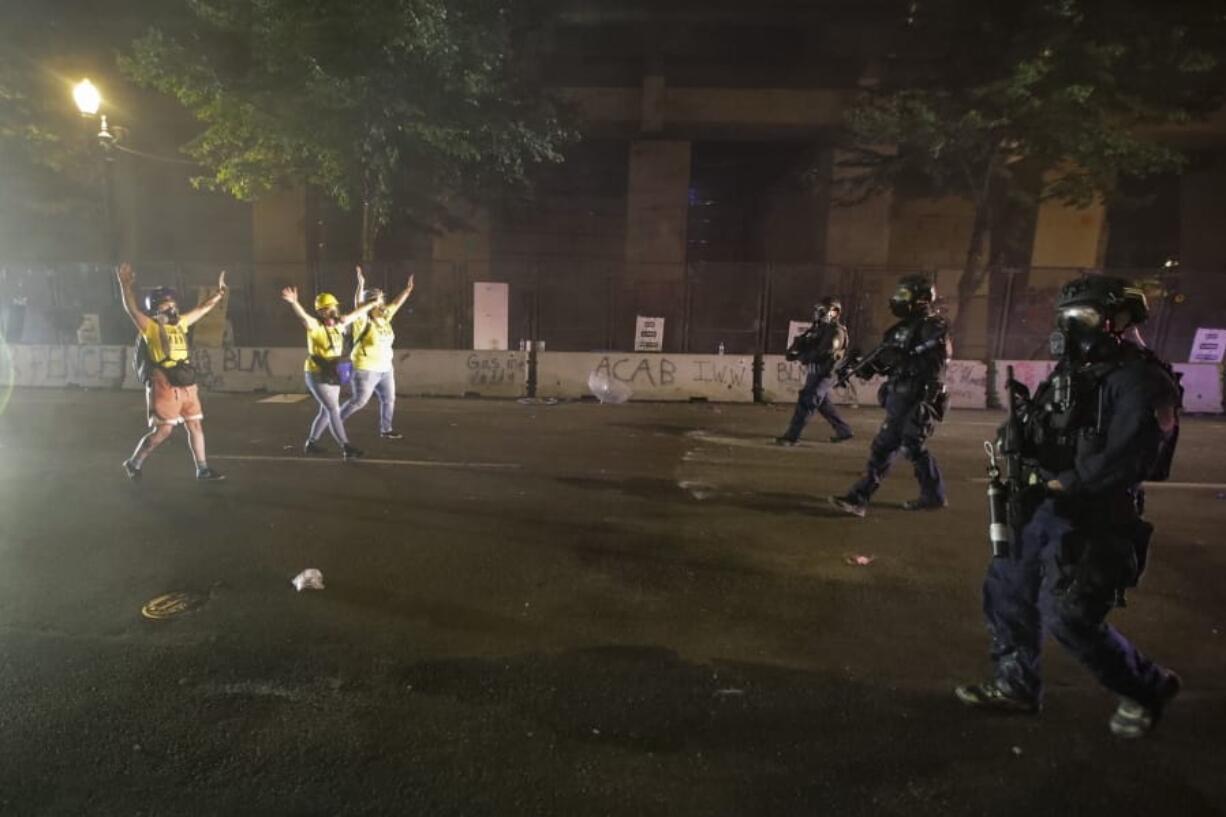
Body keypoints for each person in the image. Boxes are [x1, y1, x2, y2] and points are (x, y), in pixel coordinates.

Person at [956, 277, 1183, 739]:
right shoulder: (1074, 369)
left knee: (1070, 616)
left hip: (1095, 517)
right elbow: (1045, 424)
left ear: (1117, 320)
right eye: (1065, 317)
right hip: (1043, 506)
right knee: (1007, 589)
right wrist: (1017, 443)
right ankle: (1016, 683)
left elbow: (1130, 457)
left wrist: (1062, 481)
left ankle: (1147, 687)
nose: (1068, 326)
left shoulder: (1143, 380)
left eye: (1080, 317)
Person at [829, 275, 950, 517]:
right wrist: (860, 366)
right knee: (902, 448)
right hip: (899, 396)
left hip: (919, 396)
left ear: (923, 299)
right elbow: (881, 361)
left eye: (905, 295)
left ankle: (859, 498)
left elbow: (936, 365)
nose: (898, 299)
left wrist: (904, 361)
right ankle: (932, 495)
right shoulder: (899, 330)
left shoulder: (933, 327)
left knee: (898, 447)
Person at [117, 262, 227, 481]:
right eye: (168, 304)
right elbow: (131, 309)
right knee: (164, 431)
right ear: (157, 307)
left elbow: (202, 309)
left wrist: (219, 294)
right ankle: (134, 462)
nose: (173, 308)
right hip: (164, 383)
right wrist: (125, 286)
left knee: (194, 424)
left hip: (185, 380)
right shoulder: (150, 327)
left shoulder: (180, 324)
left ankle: (202, 469)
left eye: (174, 304)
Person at [280, 286, 378, 460]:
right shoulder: (316, 327)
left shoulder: (339, 324)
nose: (335, 309)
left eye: (335, 306)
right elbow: (303, 317)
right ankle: (346, 446)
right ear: (323, 311)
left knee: (326, 411)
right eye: (331, 307)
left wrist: (371, 305)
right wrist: (295, 302)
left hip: (333, 370)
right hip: (317, 373)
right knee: (332, 409)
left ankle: (311, 443)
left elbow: (356, 314)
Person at [339, 266, 415, 439]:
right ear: (370, 304)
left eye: (382, 301)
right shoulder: (362, 320)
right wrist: (361, 284)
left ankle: (386, 429)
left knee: (389, 399)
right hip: (366, 369)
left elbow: (396, 304)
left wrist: (407, 290)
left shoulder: (384, 317)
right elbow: (358, 305)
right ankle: (335, 420)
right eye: (379, 302)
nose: (383, 304)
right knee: (359, 401)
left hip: (385, 369)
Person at [775, 296, 853, 445]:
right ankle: (844, 430)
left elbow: (824, 353)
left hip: (825, 373)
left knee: (807, 401)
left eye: (822, 311)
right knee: (823, 404)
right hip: (814, 372)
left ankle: (792, 437)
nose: (818, 313)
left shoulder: (836, 331)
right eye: (818, 310)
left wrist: (802, 356)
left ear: (835, 312)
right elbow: (801, 344)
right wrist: (795, 351)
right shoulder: (819, 329)